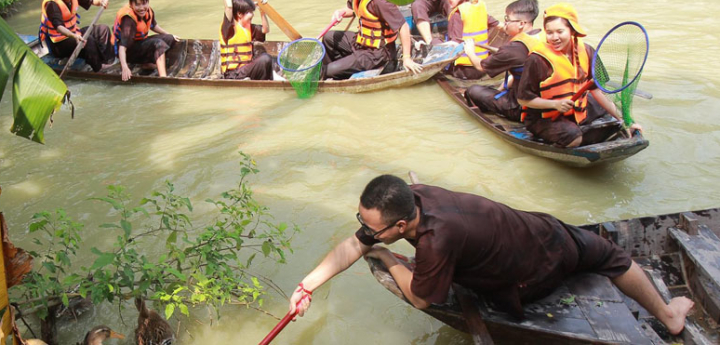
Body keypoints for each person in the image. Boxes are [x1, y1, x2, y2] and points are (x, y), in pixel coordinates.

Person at [289, 174, 694, 335]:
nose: (363, 231)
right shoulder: (418, 195)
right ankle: (667, 312)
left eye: (371, 227)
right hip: (538, 227)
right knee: (610, 253)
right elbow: (351, 245)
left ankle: (671, 317)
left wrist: (388, 258)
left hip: (535, 271)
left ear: (399, 227)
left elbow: (420, 297)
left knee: (617, 259)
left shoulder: (436, 241)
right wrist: (305, 286)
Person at [516, 3, 643, 147]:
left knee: (609, 113)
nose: (554, 37)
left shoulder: (587, 51)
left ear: (572, 31)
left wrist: (626, 122)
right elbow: (523, 99)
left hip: (575, 109)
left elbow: (596, 90)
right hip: (544, 116)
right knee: (574, 138)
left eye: (560, 31)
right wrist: (555, 104)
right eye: (549, 32)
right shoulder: (537, 59)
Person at [462, 0, 544, 122]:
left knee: (472, 91)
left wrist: (470, 52)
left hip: (521, 106)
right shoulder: (543, 35)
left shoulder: (512, 49)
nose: (505, 23)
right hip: (545, 99)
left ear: (521, 23)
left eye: (507, 20)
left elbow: (481, 66)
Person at [323, 0, 422, 80]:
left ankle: (331, 71)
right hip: (359, 42)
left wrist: (407, 58)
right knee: (329, 37)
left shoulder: (380, 1)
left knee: (327, 70)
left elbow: (403, 26)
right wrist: (339, 12)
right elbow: (351, 9)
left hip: (377, 53)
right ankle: (337, 72)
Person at [39, 0, 114, 72]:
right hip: (59, 44)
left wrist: (101, 1)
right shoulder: (51, 4)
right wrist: (74, 36)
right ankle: (99, 68)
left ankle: (109, 62)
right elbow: (59, 27)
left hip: (74, 33)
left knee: (103, 29)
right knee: (88, 40)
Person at [219, 0, 273, 81]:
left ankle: (261, 81)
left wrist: (262, 11)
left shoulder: (249, 28)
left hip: (245, 70)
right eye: (249, 12)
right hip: (233, 74)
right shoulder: (229, 28)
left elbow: (265, 29)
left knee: (266, 58)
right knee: (265, 59)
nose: (252, 15)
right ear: (239, 14)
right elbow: (228, 6)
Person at [112, 0, 178, 81]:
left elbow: (153, 25)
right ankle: (163, 78)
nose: (142, 8)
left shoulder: (148, 11)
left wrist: (170, 34)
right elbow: (122, 47)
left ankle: (146, 64)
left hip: (139, 45)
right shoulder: (128, 20)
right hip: (128, 52)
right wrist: (124, 67)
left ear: (148, 2)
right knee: (159, 44)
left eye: (144, 3)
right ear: (131, 5)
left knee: (169, 38)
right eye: (137, 5)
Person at [446, 0, 501, 80]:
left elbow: (454, 43)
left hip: (464, 70)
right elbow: (499, 24)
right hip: (482, 66)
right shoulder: (480, 9)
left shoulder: (457, 14)